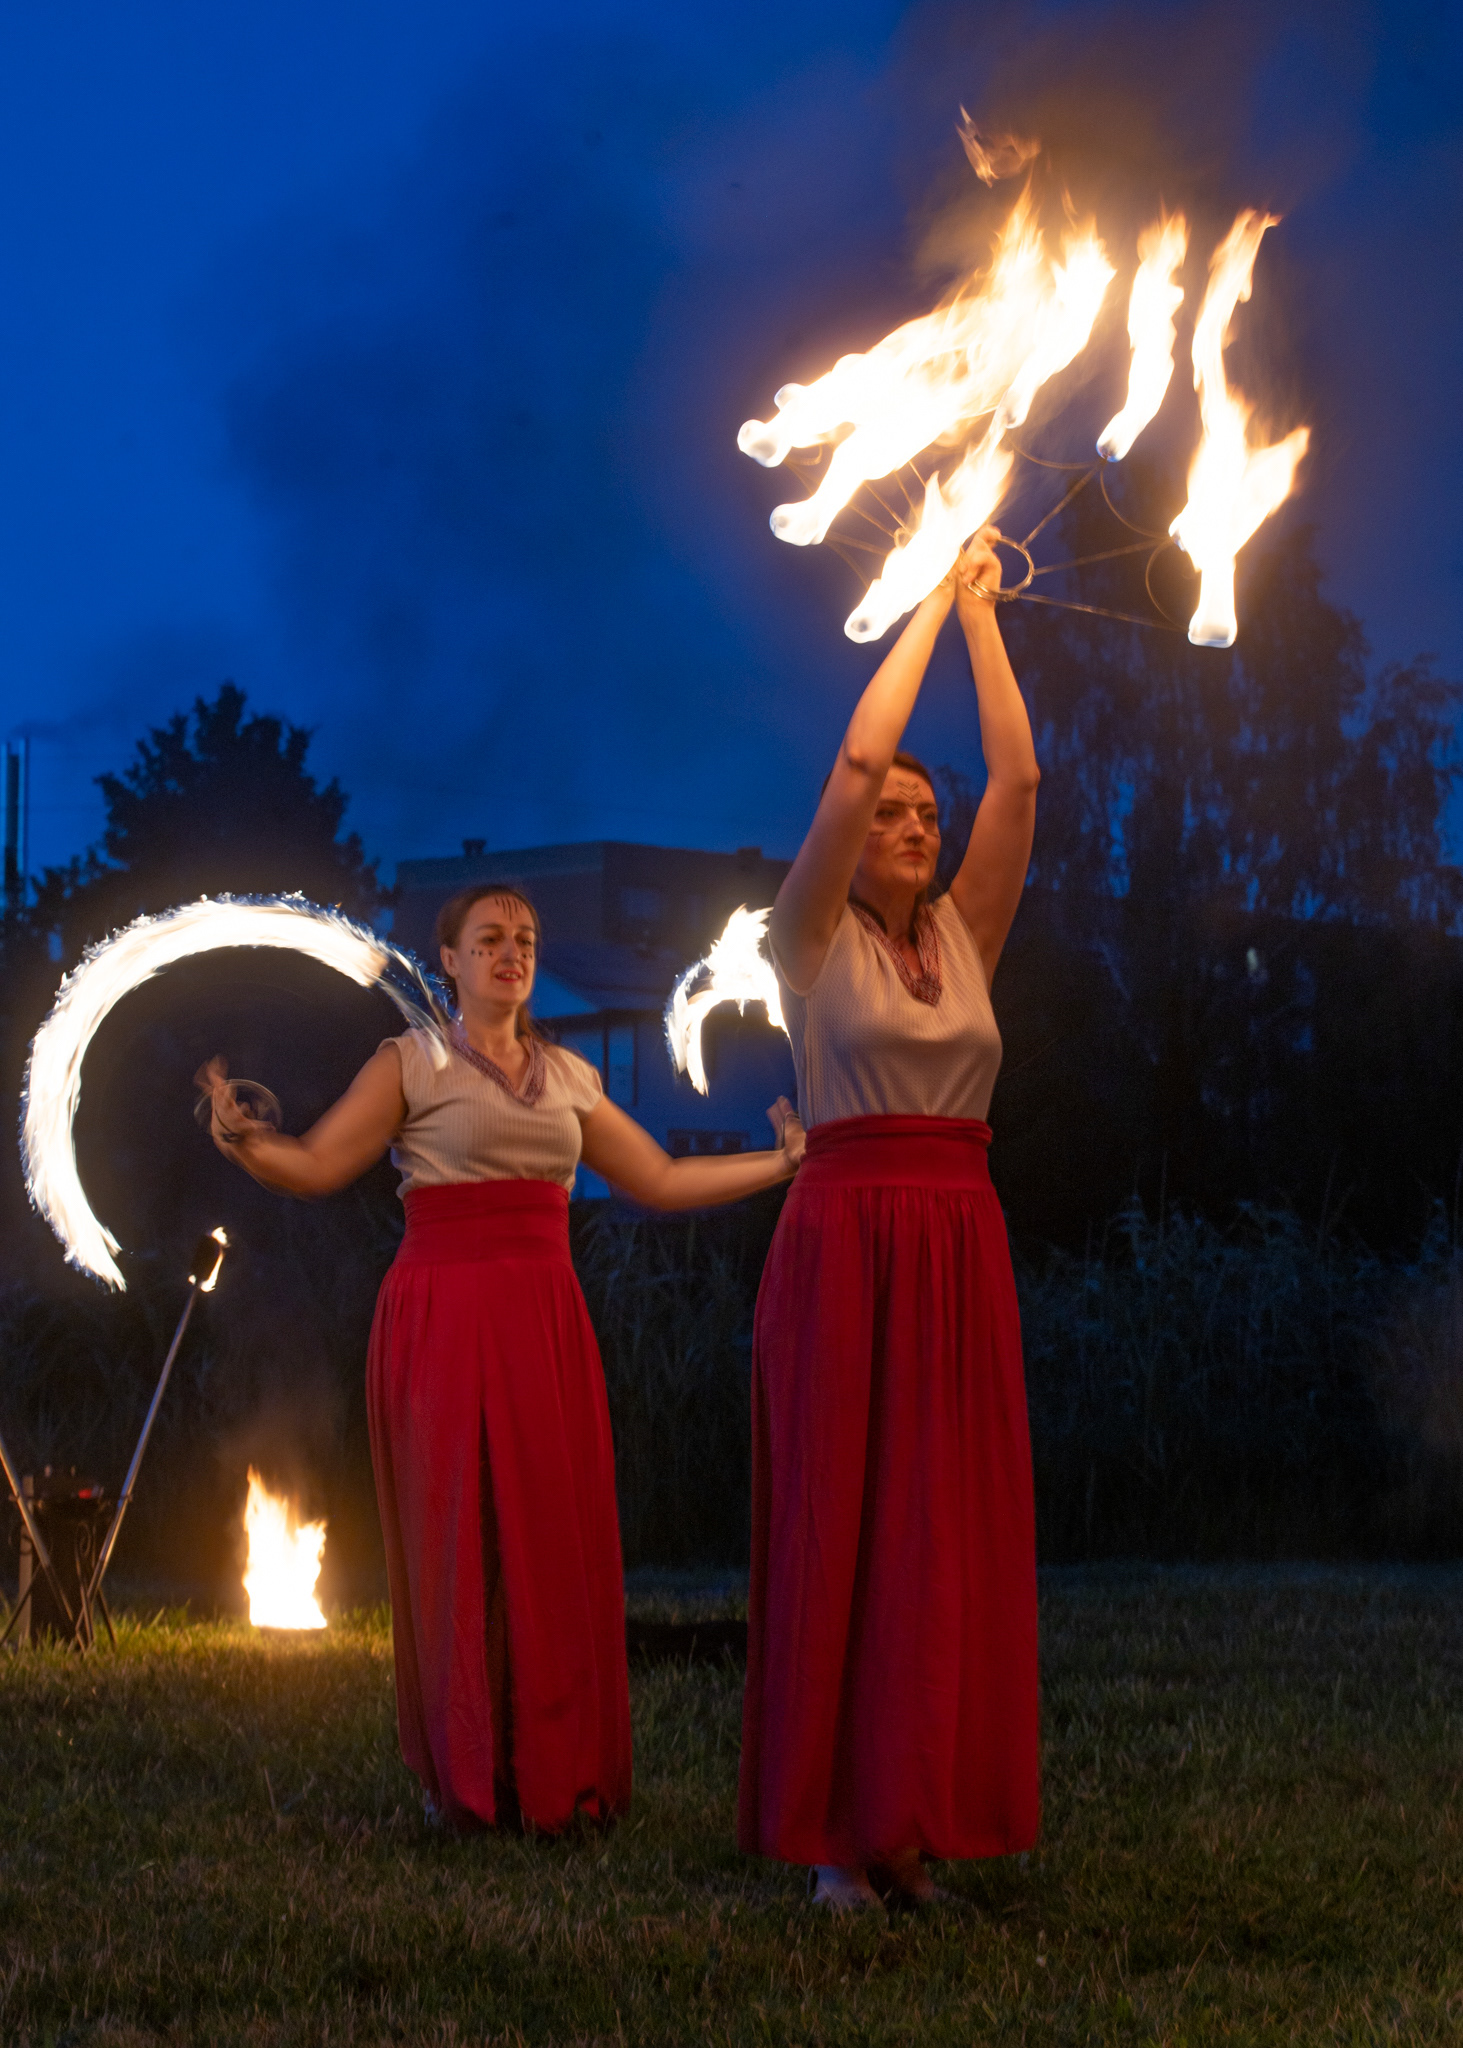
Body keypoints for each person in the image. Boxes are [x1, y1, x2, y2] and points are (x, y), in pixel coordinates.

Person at [202, 884, 804, 1834]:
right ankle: (467, 1779)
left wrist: (779, 1163)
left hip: (542, 1319)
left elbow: (656, 1177)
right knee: (457, 1536)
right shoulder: (411, 1061)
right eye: (488, 939)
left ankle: (555, 1770)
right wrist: (245, 1143)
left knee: (549, 1532)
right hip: (441, 1313)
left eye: (524, 938)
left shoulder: (569, 1076)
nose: (511, 952)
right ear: (449, 960)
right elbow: (314, 1166)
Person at [737, 528, 1041, 1911]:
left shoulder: (965, 937)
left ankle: (908, 1822)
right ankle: (832, 1838)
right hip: (846, 1241)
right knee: (844, 1523)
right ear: (845, 840)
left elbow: (1019, 782)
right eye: (893, 815)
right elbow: (857, 758)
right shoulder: (802, 937)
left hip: (958, 1239)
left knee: (938, 1532)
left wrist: (982, 612)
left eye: (928, 813)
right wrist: (924, 593)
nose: (914, 824)